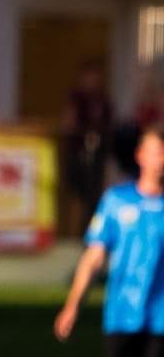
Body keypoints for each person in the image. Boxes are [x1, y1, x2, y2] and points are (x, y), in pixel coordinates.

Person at [54, 125, 164, 357]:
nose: (161, 159)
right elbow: (95, 256)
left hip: (161, 314)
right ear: (141, 156)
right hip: (122, 311)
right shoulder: (117, 201)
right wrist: (73, 304)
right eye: (157, 151)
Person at [64, 61, 113, 232]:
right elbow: (68, 123)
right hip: (79, 151)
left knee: (95, 191)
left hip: (98, 151)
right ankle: (76, 230)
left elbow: (110, 124)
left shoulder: (103, 99)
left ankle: (93, 229)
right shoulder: (75, 98)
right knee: (78, 190)